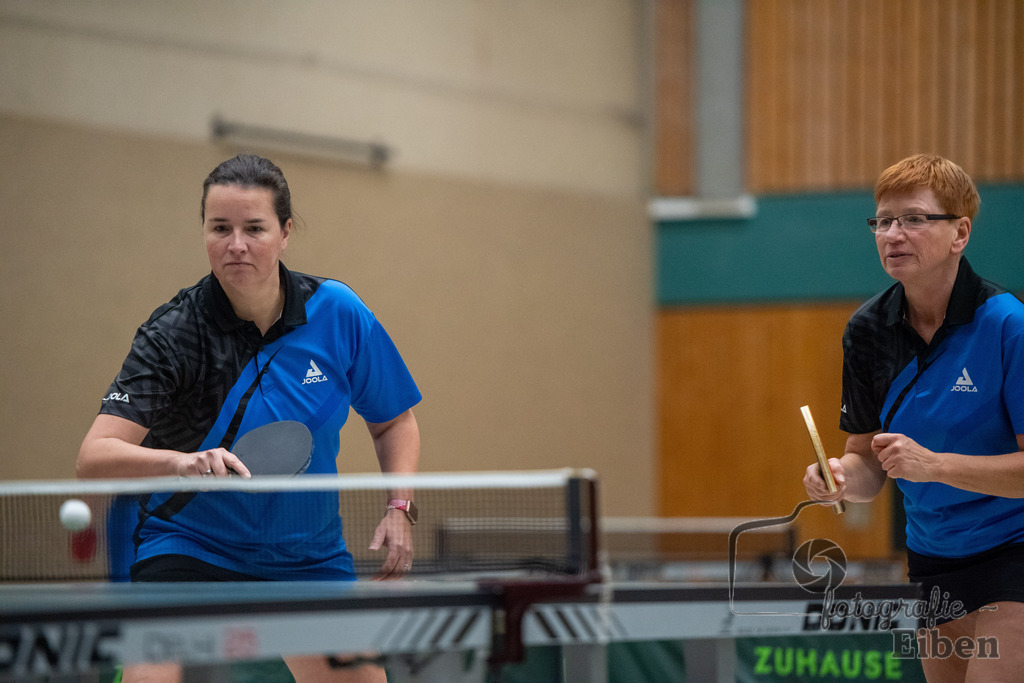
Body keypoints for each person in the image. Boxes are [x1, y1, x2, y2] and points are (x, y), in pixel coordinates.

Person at [77, 153, 421, 682]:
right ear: (205, 234)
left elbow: (393, 421)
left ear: (285, 233)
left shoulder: (338, 312)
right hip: (190, 544)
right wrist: (183, 463)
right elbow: (94, 457)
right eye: (221, 228)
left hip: (308, 556)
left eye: (254, 228)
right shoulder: (172, 335)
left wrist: (399, 505)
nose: (236, 244)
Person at [804, 153, 1024, 681]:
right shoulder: (867, 330)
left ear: (960, 233)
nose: (893, 234)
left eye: (914, 219)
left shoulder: (1006, 325)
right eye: (883, 221)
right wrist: (838, 479)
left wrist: (936, 465)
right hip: (931, 559)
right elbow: (867, 461)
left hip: (1013, 551)